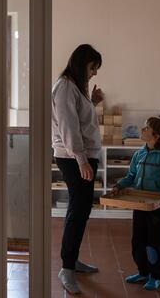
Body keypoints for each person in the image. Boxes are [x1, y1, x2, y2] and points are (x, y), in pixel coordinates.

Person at [52, 44, 104, 294]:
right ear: (81, 63)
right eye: (92, 67)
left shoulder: (75, 87)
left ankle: (72, 261)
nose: (94, 73)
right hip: (73, 158)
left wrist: (91, 101)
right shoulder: (64, 87)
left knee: (80, 211)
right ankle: (67, 268)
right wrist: (82, 160)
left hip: (81, 157)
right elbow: (68, 128)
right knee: (78, 211)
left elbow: (80, 120)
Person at [110, 117, 160, 290]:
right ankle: (143, 271)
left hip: (157, 208)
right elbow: (131, 176)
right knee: (138, 240)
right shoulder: (139, 154)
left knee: (153, 242)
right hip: (140, 205)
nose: (142, 130)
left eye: (146, 128)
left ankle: (155, 275)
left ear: (156, 136)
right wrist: (119, 186)